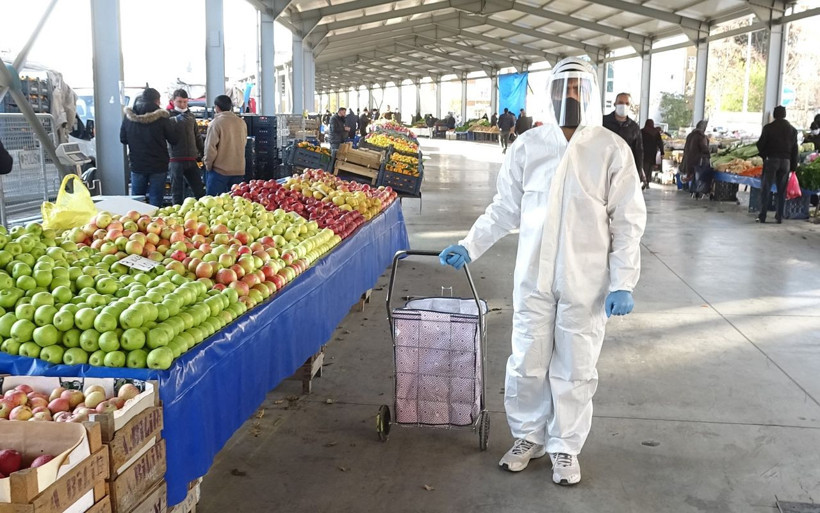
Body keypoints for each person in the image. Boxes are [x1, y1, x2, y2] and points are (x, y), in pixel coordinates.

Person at [439, 57, 646, 486]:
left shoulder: (610, 149)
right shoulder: (528, 146)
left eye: (576, 88)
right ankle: (528, 437)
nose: (569, 95)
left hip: (586, 280)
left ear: (589, 94)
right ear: (549, 94)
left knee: (576, 365)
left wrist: (623, 281)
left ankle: (565, 446)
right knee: (527, 360)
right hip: (534, 276)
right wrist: (470, 244)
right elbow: (504, 208)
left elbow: (627, 220)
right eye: (561, 88)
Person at [120, 87, 179, 207]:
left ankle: (136, 217)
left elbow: (123, 139)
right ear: (157, 100)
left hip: (137, 164)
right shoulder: (162, 117)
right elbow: (173, 139)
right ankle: (154, 218)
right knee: (156, 199)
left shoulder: (129, 116)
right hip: (158, 164)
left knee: (137, 199)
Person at [756, 105, 798, 224]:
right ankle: (779, 216)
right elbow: (795, 150)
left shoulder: (768, 128)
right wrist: (793, 166)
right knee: (782, 190)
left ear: (774, 115)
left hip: (772, 160)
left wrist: (764, 156)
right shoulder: (793, 130)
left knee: (766, 188)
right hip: (786, 162)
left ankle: (763, 216)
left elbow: (760, 145)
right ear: (784, 115)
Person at [203, 95, 248, 196]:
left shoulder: (215, 123)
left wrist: (208, 165)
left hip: (219, 171)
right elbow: (244, 142)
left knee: (214, 201)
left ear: (217, 107)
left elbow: (210, 148)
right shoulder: (241, 122)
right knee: (235, 201)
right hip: (238, 169)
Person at [167, 89, 205, 205]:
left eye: (185, 102)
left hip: (191, 159)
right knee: (177, 193)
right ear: (173, 101)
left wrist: (203, 153)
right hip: (175, 159)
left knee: (199, 191)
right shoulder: (167, 116)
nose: (182, 105)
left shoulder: (191, 116)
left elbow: (197, 136)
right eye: (179, 102)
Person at [603, 93, 644, 186]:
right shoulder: (603, 122)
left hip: (625, 170)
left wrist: (638, 174)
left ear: (630, 106)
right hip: (604, 167)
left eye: (627, 103)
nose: (624, 106)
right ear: (615, 104)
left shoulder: (634, 127)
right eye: (620, 102)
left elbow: (638, 152)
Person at [680, 120, 710, 194]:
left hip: (688, 158)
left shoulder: (690, 135)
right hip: (697, 159)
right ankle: (694, 190)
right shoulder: (701, 136)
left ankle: (687, 188)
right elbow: (704, 148)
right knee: (696, 175)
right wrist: (709, 153)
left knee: (689, 173)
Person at [640, 119, 664, 190]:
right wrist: (662, 152)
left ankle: (644, 181)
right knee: (650, 168)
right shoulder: (656, 132)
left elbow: (638, 142)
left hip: (643, 153)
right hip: (652, 153)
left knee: (644, 167)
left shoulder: (641, 131)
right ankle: (647, 181)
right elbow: (660, 143)